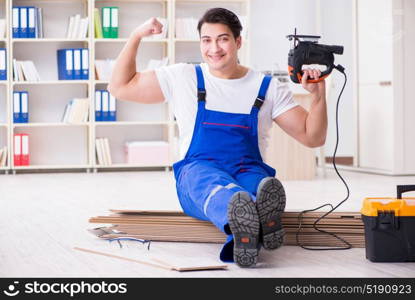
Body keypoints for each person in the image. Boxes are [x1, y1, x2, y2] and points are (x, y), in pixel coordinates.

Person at [108, 8, 327, 267]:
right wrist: (136, 35)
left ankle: (248, 226)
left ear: (238, 42)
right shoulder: (183, 77)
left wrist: (318, 96)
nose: (214, 48)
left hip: (247, 170)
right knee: (214, 185)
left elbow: (312, 137)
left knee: (255, 186)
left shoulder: (266, 87)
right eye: (206, 40)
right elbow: (119, 87)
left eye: (222, 39)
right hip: (199, 172)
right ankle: (256, 214)